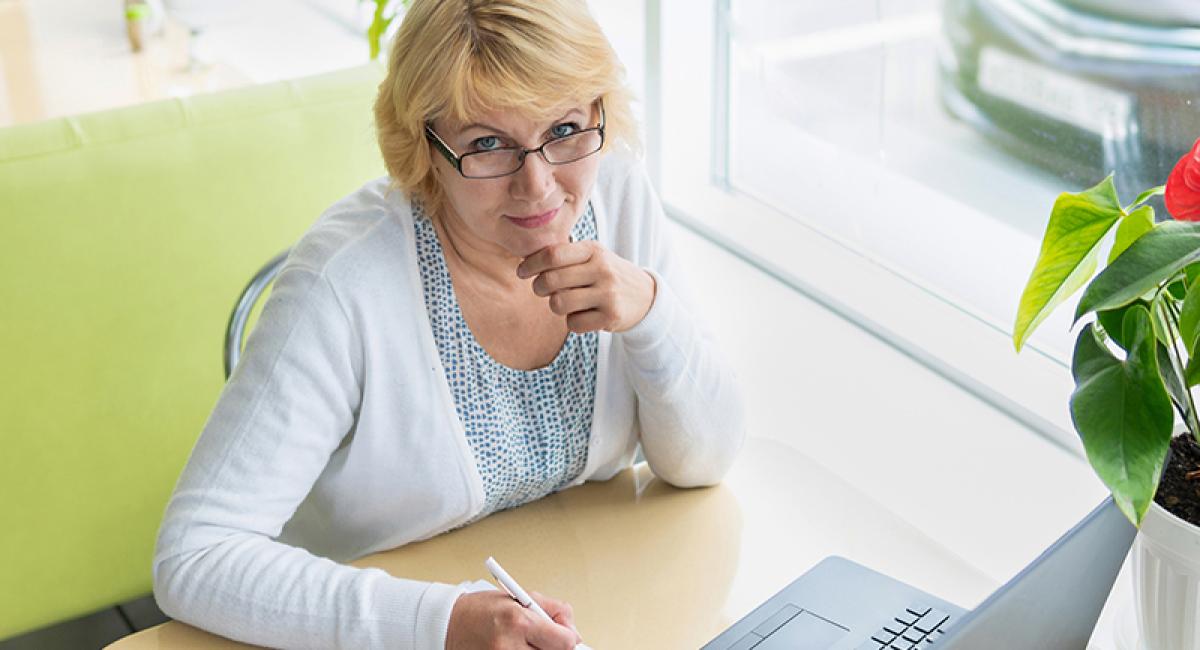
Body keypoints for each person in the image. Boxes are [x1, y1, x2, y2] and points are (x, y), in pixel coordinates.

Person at [151, 0, 745, 648]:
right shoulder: (342, 287)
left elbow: (703, 463)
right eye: (487, 143)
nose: (540, 186)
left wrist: (652, 313)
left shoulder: (618, 191)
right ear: (424, 147)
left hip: (595, 607)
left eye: (567, 127)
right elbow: (195, 555)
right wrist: (438, 624)